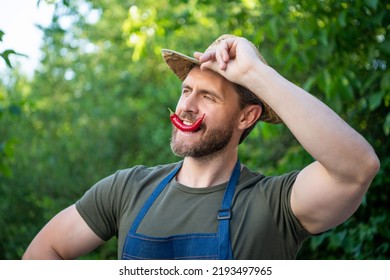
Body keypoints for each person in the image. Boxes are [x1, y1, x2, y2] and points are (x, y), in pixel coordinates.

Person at [22, 34, 380, 260]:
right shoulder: (127, 189)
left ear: (246, 117)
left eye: (207, 96)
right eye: (185, 91)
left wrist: (254, 73)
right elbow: (43, 253)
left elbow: (356, 168)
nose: (187, 107)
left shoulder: (274, 204)